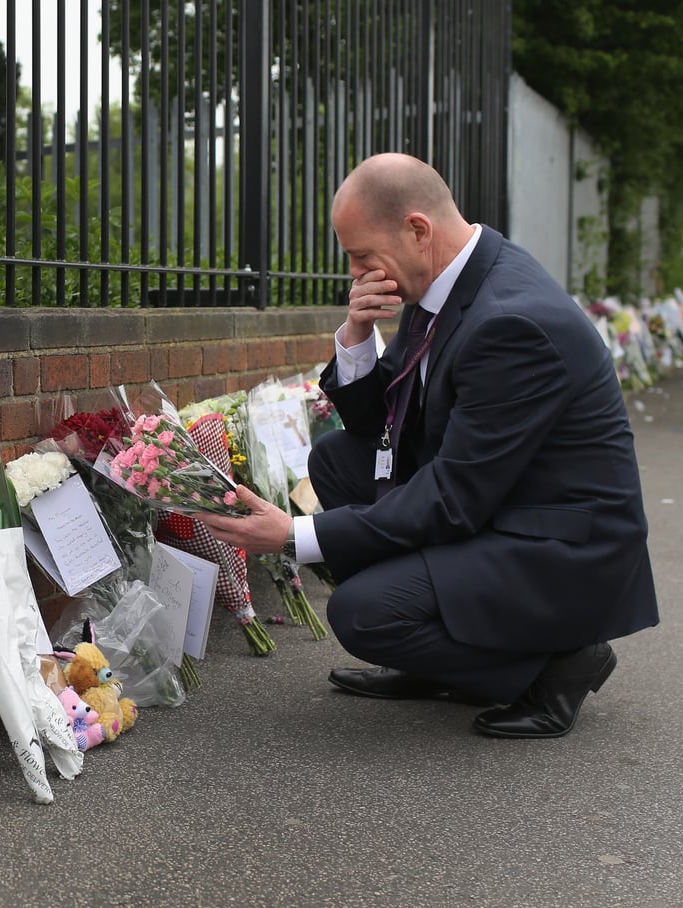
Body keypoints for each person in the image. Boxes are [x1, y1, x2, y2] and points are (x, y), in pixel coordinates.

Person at [197, 152, 658, 739]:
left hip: (558, 548)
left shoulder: (510, 322)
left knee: (362, 614)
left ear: (418, 230)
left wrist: (294, 536)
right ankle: (432, 651)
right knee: (336, 460)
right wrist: (357, 334)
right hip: (496, 500)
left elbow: (452, 499)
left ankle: (559, 664)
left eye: (362, 256)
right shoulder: (447, 281)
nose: (356, 273)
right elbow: (381, 428)